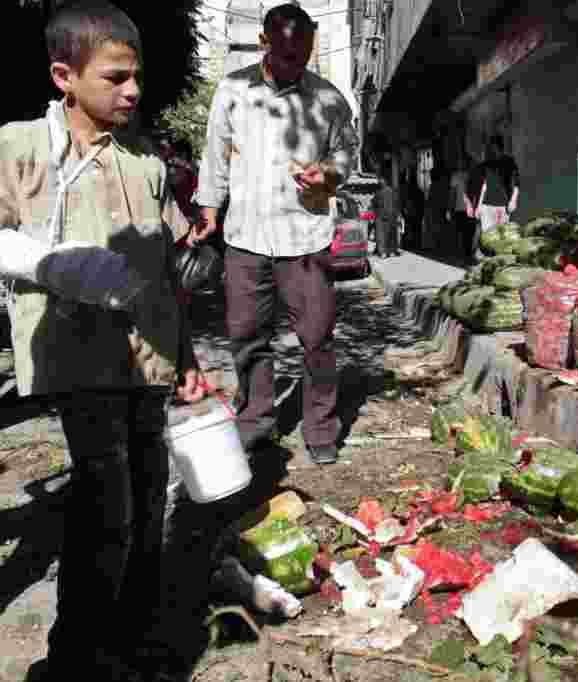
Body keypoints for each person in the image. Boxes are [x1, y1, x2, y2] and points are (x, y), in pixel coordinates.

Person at [0, 2, 205, 678]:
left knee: (152, 502)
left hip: (149, 362)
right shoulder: (20, 147)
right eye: (116, 77)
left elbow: (171, 264)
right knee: (105, 506)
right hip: (77, 359)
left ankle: (135, 635)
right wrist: (44, 263)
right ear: (64, 75)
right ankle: (77, 658)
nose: (134, 91)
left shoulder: (145, 159)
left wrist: (189, 357)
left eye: (136, 76)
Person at [192, 3, 357, 465]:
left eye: (302, 55)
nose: (294, 64)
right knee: (246, 335)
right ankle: (256, 421)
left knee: (318, 339)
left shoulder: (327, 99)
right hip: (245, 237)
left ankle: (321, 429)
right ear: (265, 44)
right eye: (285, 55)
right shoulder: (234, 89)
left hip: (305, 238)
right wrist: (209, 208)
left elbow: (346, 151)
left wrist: (329, 175)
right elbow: (216, 153)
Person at [469, 135, 520, 258]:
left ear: (496, 146)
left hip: (503, 206)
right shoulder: (487, 164)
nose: (489, 149)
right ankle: (488, 261)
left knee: (502, 237)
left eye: (490, 146)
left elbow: (516, 183)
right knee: (488, 237)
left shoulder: (509, 162)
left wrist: (513, 200)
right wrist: (479, 206)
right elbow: (484, 186)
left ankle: (499, 260)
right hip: (487, 206)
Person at [449, 154, 476, 261]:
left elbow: (452, 193)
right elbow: (452, 194)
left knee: (464, 233)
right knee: (467, 233)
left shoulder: (457, 176)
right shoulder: (470, 175)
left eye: (462, 162)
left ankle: (465, 254)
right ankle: (466, 254)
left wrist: (449, 208)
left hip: (462, 208)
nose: (460, 164)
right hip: (464, 208)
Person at [372, 163, 401, 258]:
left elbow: (374, 204)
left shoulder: (378, 193)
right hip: (392, 215)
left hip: (381, 216)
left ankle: (383, 252)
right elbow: (397, 203)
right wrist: (397, 214)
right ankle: (392, 251)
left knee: (381, 235)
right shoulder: (392, 191)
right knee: (391, 234)